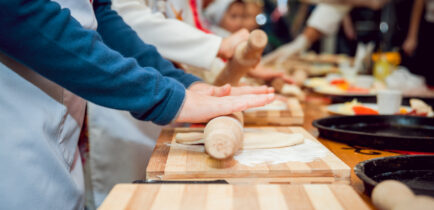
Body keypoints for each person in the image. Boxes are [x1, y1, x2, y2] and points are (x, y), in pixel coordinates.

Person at [0, 0, 275, 209]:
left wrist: (183, 83)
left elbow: (101, 19)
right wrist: (166, 97)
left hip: (61, 138)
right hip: (15, 136)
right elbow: (17, 12)